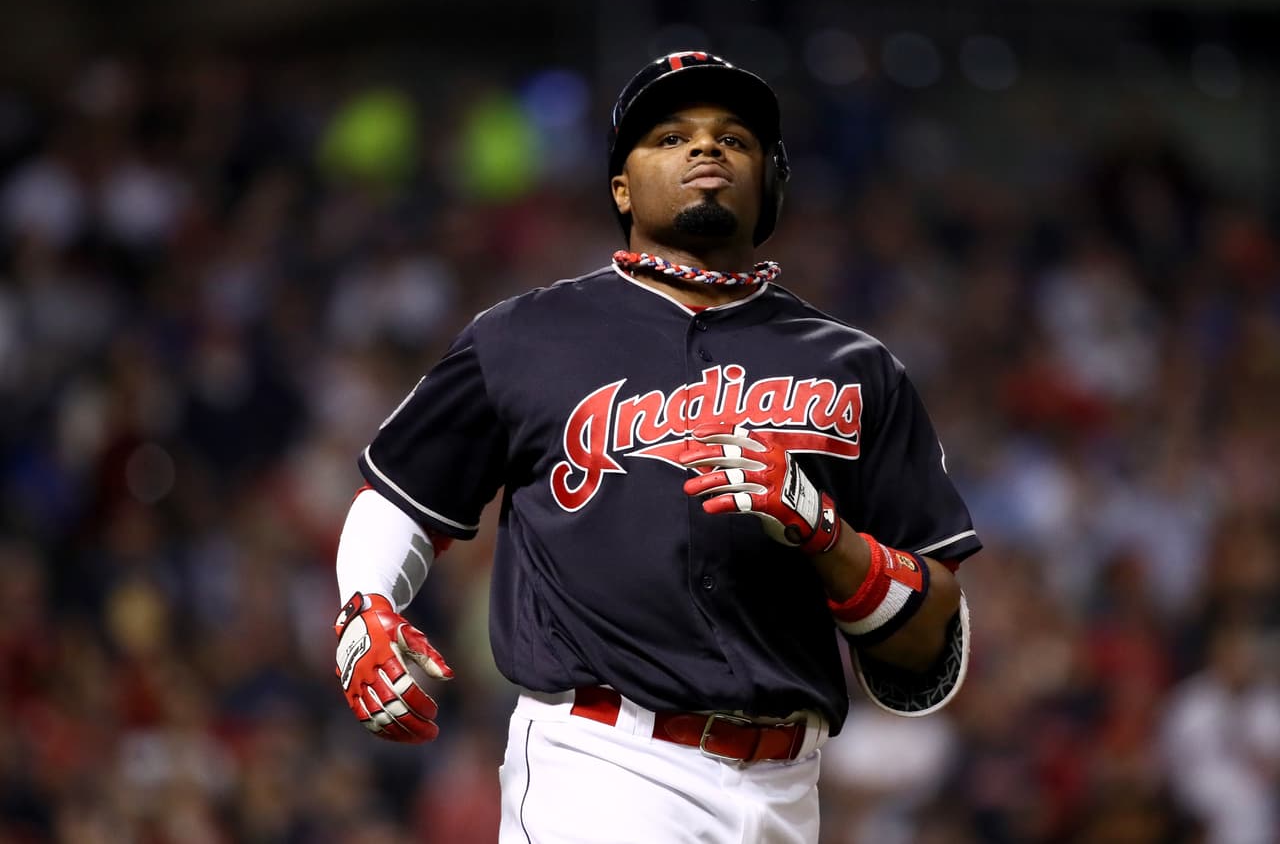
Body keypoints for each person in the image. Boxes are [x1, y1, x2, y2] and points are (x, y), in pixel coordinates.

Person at [332, 51, 981, 843]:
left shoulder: (856, 366)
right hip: (602, 766)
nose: (706, 150)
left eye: (733, 139)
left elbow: (928, 647)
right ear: (620, 188)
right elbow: (403, 494)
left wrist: (827, 535)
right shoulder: (527, 335)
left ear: (770, 183)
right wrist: (368, 604)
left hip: (790, 787)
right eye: (670, 137)